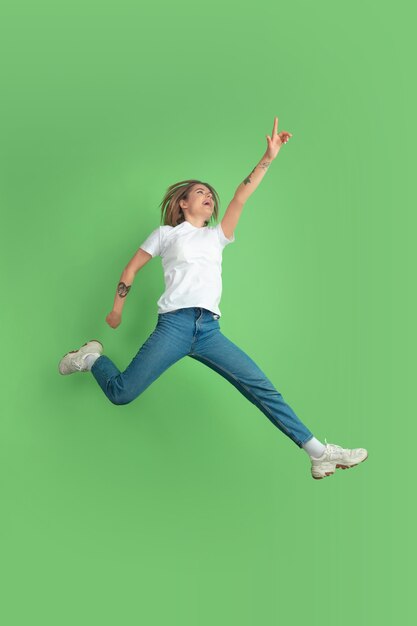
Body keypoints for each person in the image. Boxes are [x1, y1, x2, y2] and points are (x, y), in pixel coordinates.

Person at [58, 116, 368, 480]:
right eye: (200, 192)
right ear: (183, 203)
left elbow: (241, 194)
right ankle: (92, 358)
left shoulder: (217, 235)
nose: (209, 196)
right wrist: (116, 310)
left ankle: (318, 453)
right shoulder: (165, 235)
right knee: (122, 393)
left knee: (260, 387)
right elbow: (130, 270)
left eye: (210, 194)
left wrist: (268, 157)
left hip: (208, 330)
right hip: (173, 326)